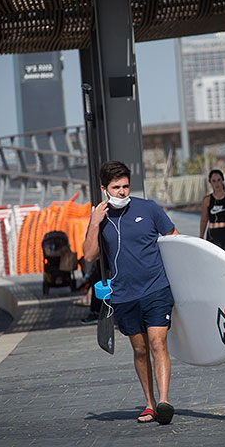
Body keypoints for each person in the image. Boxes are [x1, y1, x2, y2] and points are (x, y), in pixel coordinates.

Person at [83, 160, 179, 425]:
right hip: (124, 295)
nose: (123, 192)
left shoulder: (148, 209)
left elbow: (174, 238)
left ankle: (164, 402)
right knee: (140, 350)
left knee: (158, 344)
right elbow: (89, 255)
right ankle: (149, 403)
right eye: (116, 187)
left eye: (125, 186)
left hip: (156, 289)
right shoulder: (100, 220)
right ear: (105, 189)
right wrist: (94, 223)